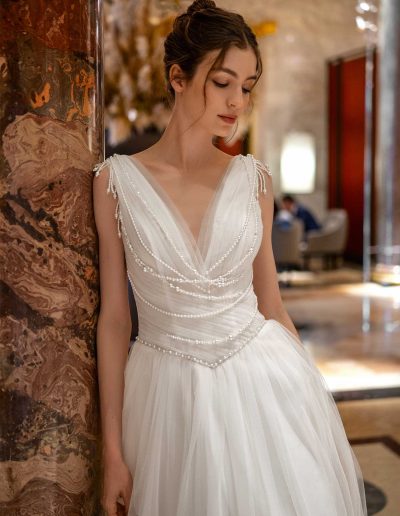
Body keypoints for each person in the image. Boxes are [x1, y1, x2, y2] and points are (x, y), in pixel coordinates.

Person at [92, 1, 367, 515]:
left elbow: (271, 303)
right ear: (178, 76)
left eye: (247, 85)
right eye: (222, 82)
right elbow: (113, 321)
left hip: (261, 385)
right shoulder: (115, 182)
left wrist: (307, 402)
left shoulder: (254, 180)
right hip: (163, 396)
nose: (237, 101)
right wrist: (112, 453)